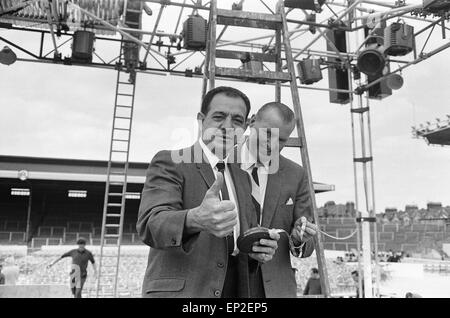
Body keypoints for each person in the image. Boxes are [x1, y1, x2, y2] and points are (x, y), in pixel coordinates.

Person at [137, 86, 280, 298]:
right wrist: (194, 218)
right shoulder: (170, 162)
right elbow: (151, 224)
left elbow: (239, 242)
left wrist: (258, 249)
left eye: (237, 121)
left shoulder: (243, 176)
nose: (227, 127)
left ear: (246, 126)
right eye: (219, 117)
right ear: (201, 120)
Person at [238, 102, 317, 297]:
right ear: (252, 121)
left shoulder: (296, 175)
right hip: (224, 283)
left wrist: (300, 238)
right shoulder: (220, 162)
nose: (271, 144)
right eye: (267, 134)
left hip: (274, 289)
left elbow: (305, 244)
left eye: (281, 140)